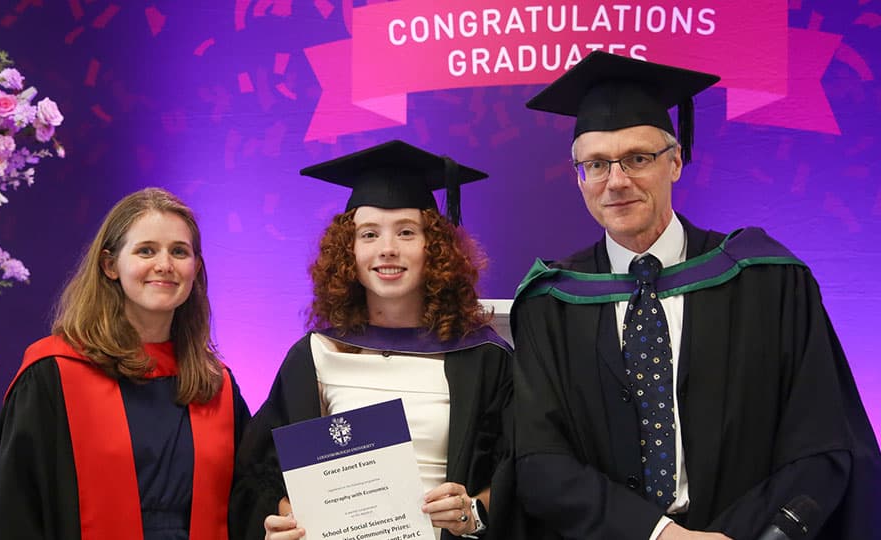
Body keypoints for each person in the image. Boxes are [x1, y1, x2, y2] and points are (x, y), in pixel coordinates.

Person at [511, 51, 881, 539]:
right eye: (596, 164)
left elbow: (819, 437)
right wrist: (659, 535)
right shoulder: (550, 302)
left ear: (676, 162)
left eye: (638, 158)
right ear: (579, 177)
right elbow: (540, 461)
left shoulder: (766, 280)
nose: (616, 182)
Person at [230, 140, 517, 540]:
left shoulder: (482, 358)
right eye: (368, 234)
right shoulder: (315, 355)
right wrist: (286, 518)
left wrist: (473, 512)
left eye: (406, 232)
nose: (387, 249)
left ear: (434, 248)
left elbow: (519, 469)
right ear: (347, 251)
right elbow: (257, 475)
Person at [0, 187, 251, 540]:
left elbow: (249, 499)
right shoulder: (54, 373)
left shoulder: (214, 385)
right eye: (146, 250)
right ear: (110, 265)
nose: (164, 265)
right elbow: (14, 511)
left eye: (179, 251)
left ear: (196, 268)